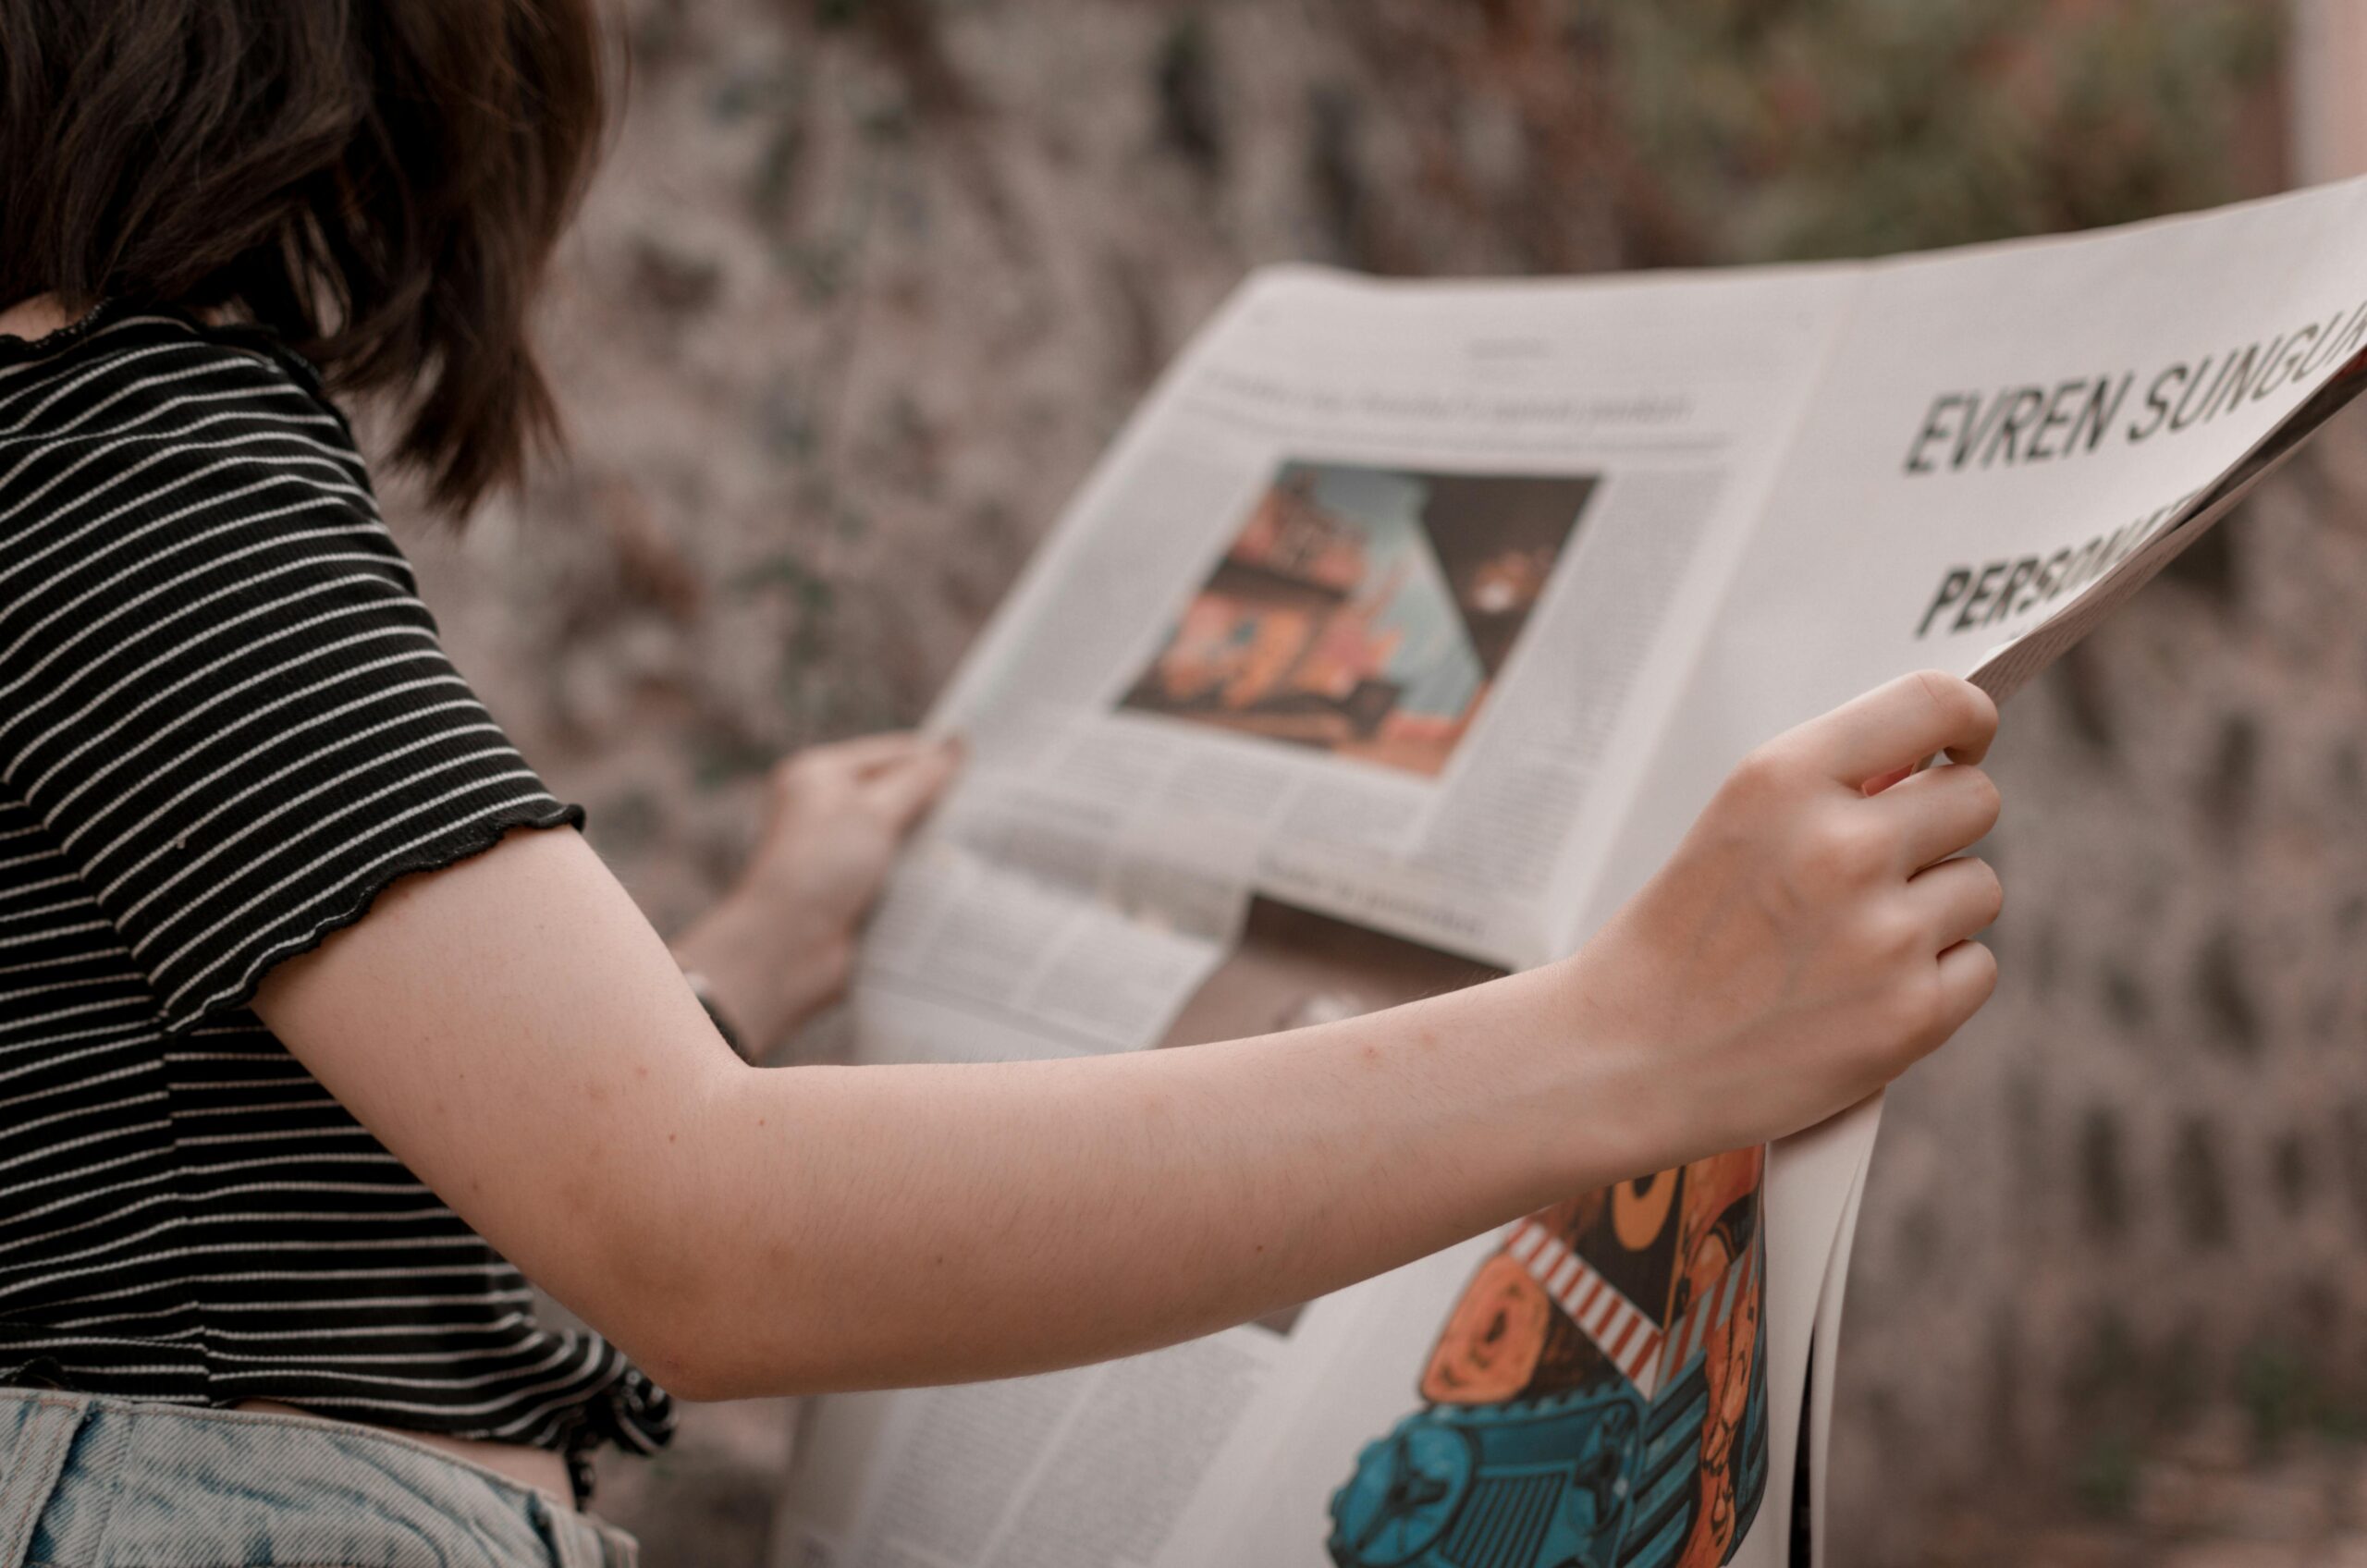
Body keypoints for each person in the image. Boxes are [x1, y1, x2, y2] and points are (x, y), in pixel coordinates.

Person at [0, 3, 2005, 1562]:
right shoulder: (109, 449)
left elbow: (200, 1187)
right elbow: (694, 1233)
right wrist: (1633, 1038)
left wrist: (741, 966)